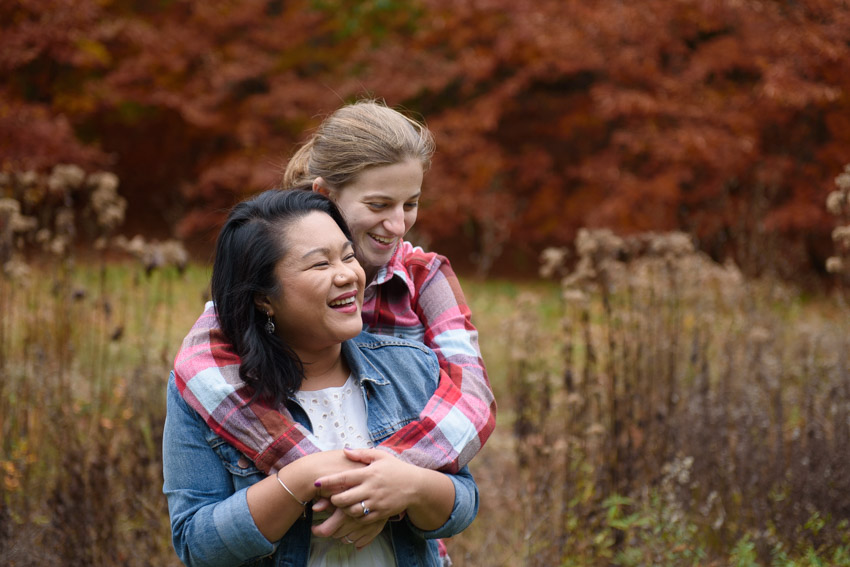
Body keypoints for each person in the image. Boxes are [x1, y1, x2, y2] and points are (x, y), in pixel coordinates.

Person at [173, 99, 495, 479]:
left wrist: (389, 476)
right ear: (325, 194)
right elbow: (199, 367)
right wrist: (325, 479)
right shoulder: (273, 269)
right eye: (379, 204)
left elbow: (472, 395)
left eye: (411, 204)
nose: (397, 225)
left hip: (402, 515)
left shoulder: (426, 277)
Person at [163, 190, 479, 566]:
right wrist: (303, 478)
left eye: (348, 256)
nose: (346, 274)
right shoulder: (210, 392)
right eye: (319, 265)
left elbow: (463, 502)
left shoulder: (411, 367)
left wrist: (409, 487)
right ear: (264, 297)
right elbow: (196, 545)